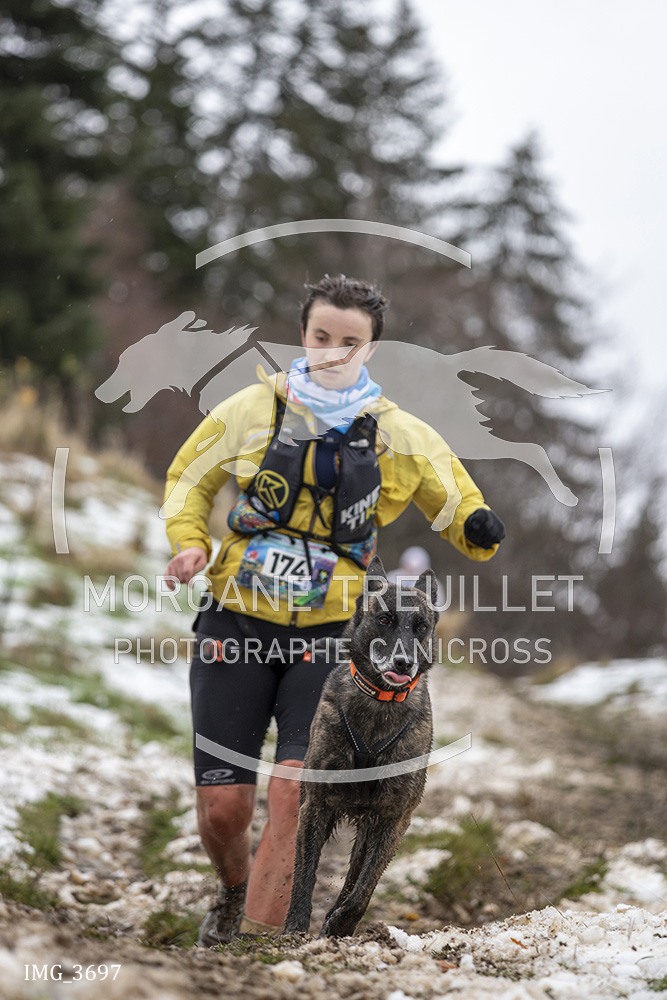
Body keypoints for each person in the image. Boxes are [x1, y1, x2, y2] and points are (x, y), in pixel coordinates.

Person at [162, 274, 505, 945]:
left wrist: (476, 525)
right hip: (235, 621)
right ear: (303, 335)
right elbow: (188, 480)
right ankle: (232, 893)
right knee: (223, 809)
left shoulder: (398, 434)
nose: (333, 352)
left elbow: (454, 497)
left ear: (370, 349)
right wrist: (190, 542)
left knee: (295, 789)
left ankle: (258, 952)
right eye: (321, 336)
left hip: (329, 635)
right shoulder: (248, 410)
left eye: (350, 342)